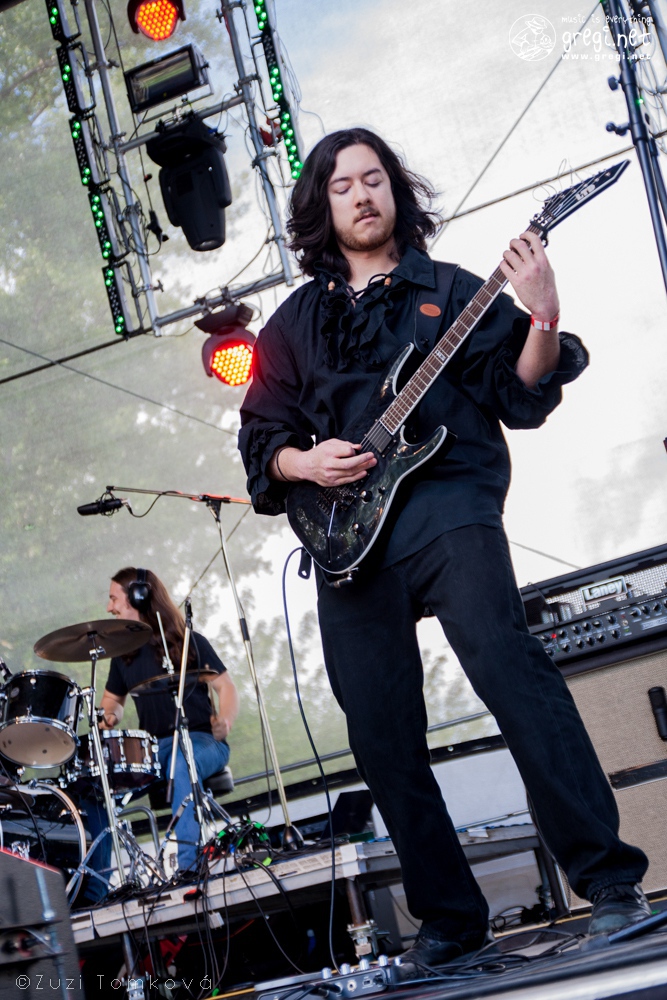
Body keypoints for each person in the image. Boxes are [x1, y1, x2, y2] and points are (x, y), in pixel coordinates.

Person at [238, 128, 651, 962]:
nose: (362, 195)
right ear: (320, 206)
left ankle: (609, 881)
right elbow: (260, 440)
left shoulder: (451, 291)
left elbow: (520, 391)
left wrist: (542, 313)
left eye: (374, 179)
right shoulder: (291, 325)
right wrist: (304, 462)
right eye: (342, 185)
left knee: (510, 670)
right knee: (379, 733)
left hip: (447, 502)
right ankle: (451, 921)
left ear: (395, 191)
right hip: (346, 538)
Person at [83, 567, 238, 895]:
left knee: (183, 762)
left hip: (203, 741)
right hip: (154, 751)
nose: (109, 607)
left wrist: (224, 720)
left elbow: (225, 687)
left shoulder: (189, 642)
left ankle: (190, 869)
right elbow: (113, 702)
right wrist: (109, 716)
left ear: (139, 597)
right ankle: (96, 891)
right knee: (95, 790)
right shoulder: (123, 657)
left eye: (114, 599)